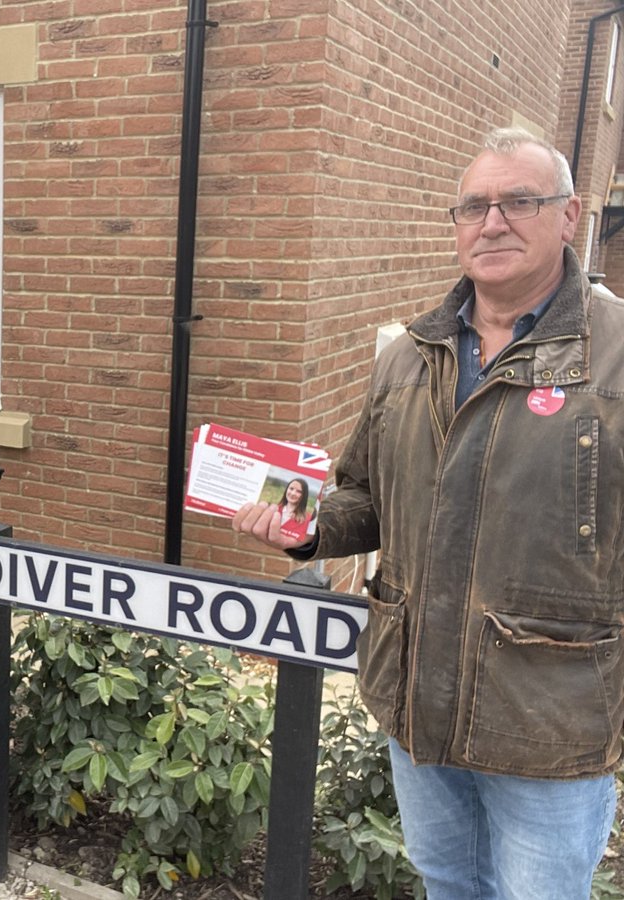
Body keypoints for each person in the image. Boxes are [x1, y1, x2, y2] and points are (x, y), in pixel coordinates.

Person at [233, 127, 624, 899]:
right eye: (474, 206)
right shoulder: (410, 354)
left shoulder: (615, 353)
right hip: (417, 698)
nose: (493, 221)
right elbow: (364, 497)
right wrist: (308, 527)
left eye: (520, 201)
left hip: (550, 721)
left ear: (570, 214)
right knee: (444, 880)